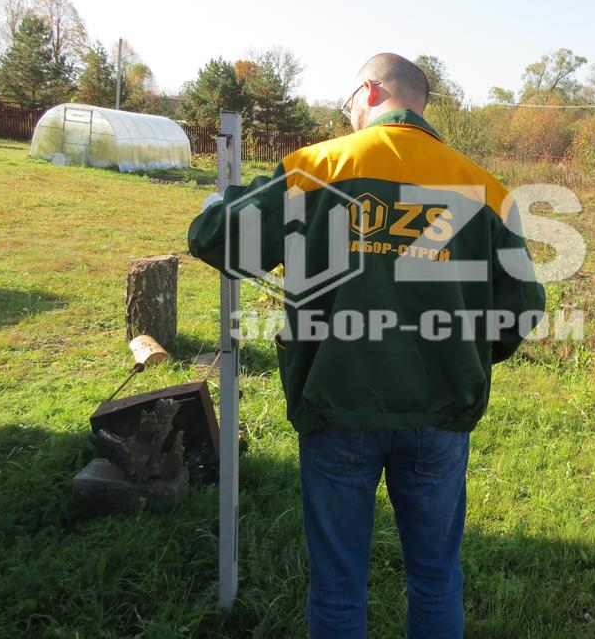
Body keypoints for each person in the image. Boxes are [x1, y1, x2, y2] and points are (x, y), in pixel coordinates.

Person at [188, 52, 545, 638]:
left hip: (337, 404)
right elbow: (523, 309)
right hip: (439, 411)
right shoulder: (484, 188)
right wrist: (464, 356)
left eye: (349, 103)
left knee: (337, 583)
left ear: (370, 92)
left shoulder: (318, 168)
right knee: (436, 577)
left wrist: (217, 206)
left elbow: (215, 238)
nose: (348, 115)